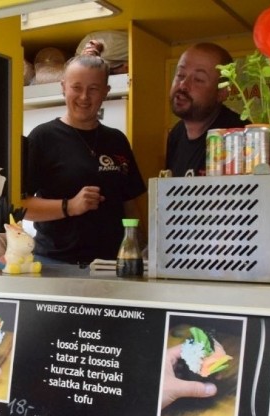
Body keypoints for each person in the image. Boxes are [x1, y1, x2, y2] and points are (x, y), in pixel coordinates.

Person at [22, 40, 145, 265]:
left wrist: (141, 250)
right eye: (76, 87)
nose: (84, 97)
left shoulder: (117, 140)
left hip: (112, 265)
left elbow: (130, 205)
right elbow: (21, 207)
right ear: (63, 87)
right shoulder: (42, 137)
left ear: (106, 92)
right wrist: (70, 206)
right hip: (56, 263)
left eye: (93, 89)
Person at [165, 42, 245, 177]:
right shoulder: (176, 135)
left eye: (198, 79)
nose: (183, 85)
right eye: (180, 74)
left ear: (222, 93)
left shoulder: (237, 136)